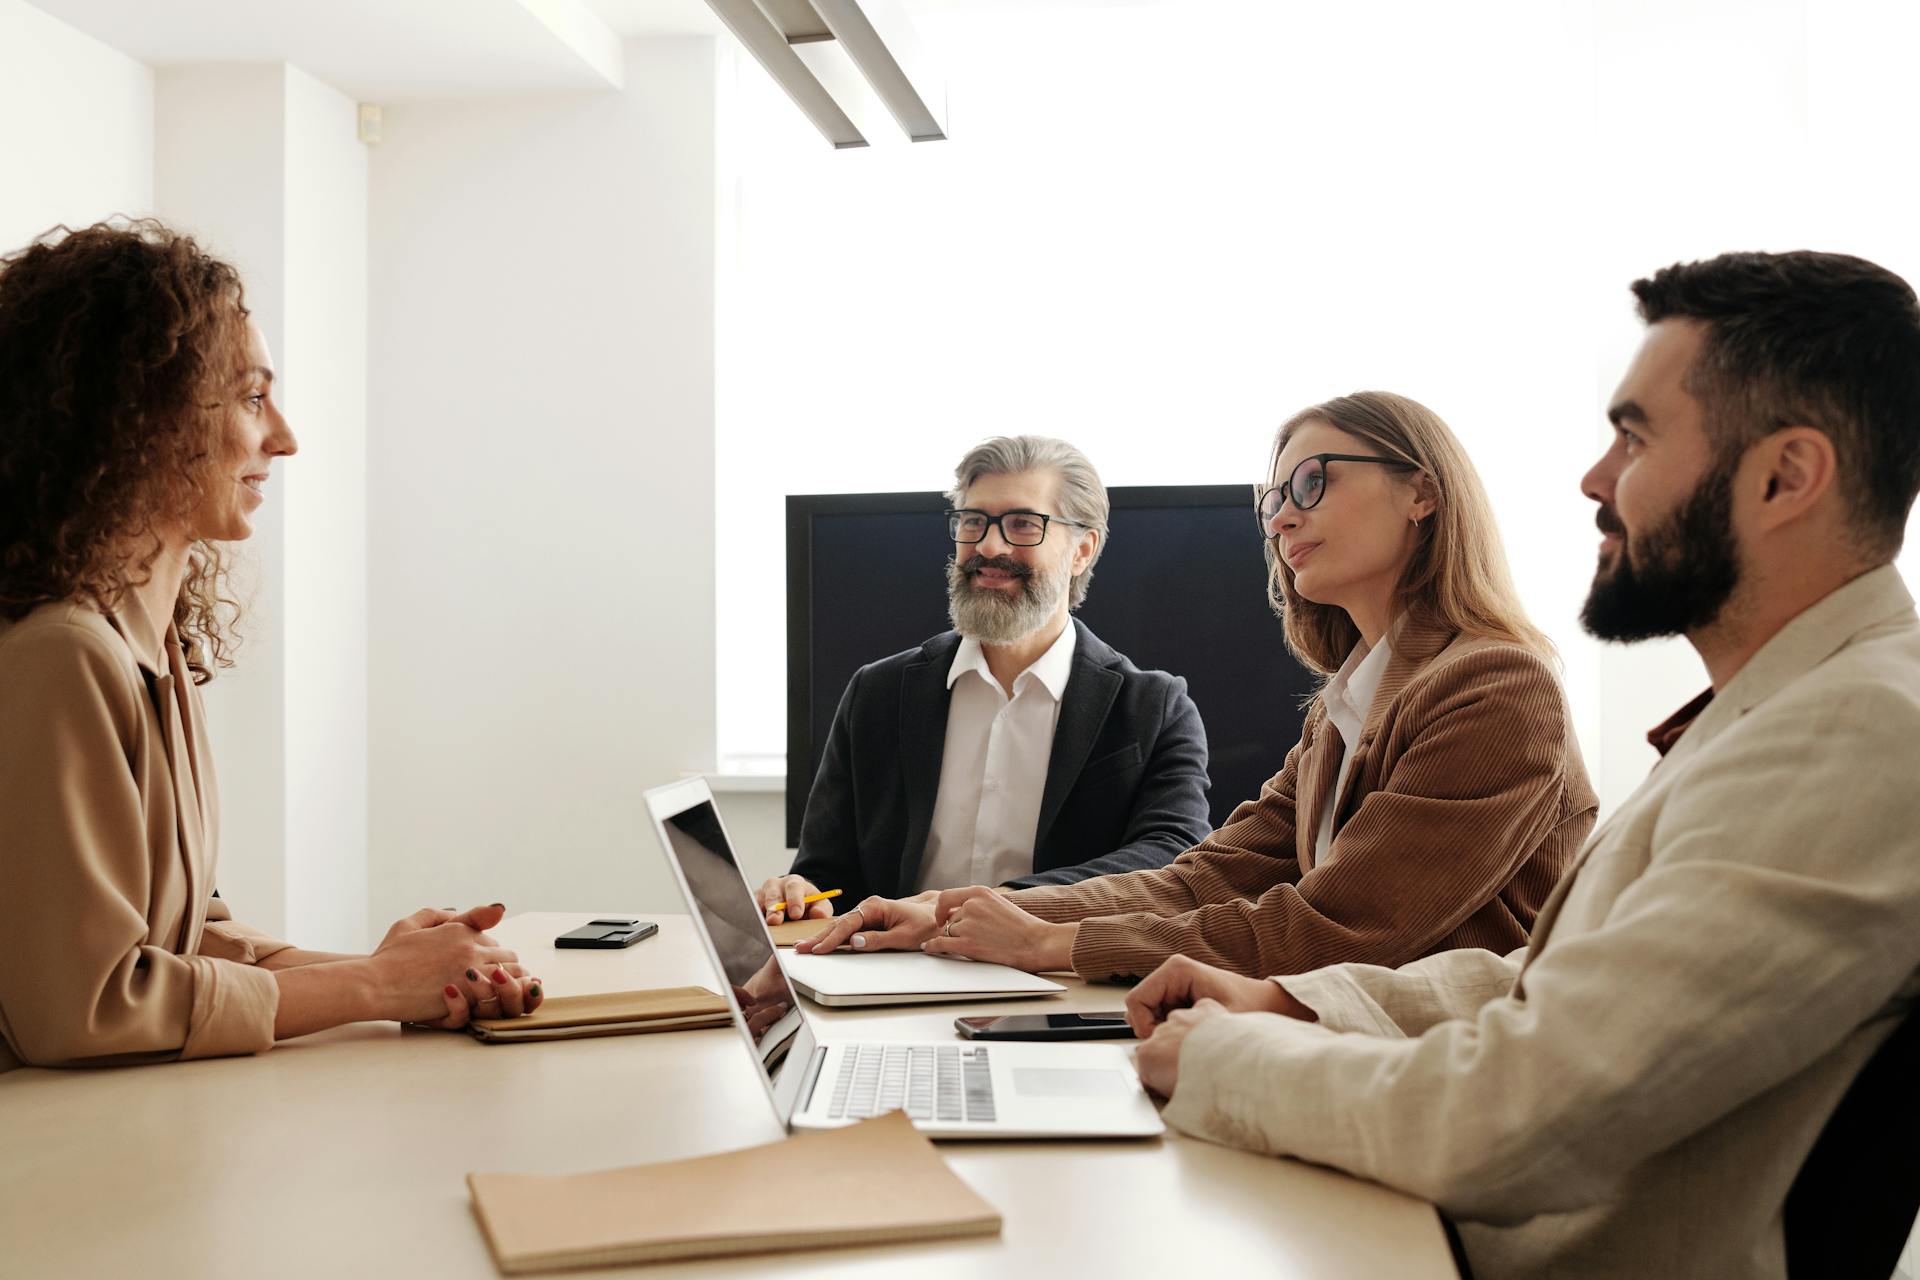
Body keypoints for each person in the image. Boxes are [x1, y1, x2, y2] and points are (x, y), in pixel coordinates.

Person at [1127, 251, 1920, 1279]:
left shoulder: (1855, 731)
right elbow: (1565, 980)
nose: (1595, 479)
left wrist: (1226, 1059)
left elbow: (1519, 1113)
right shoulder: (1791, 704)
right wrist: (1301, 1005)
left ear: (1786, 476)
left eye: (1633, 436)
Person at [801, 392, 1595, 981]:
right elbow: (1208, 876)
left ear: (1423, 492)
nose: (1281, 519)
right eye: (1274, 499)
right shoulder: (1348, 701)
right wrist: (951, 913)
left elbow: (1343, 925)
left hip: (1441, 1082)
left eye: (1311, 484)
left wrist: (1054, 942)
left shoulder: (1497, 685)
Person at [0, 220, 540, 1071]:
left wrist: (418, 974)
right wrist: (372, 988)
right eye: (252, 398)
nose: (283, 436)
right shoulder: (64, 656)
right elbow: (88, 1006)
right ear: (141, 420)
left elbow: (187, 941)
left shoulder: (149, 646)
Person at [757, 436, 1214, 922]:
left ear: (1083, 549)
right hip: (892, 980)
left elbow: (1174, 855)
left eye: (1022, 524)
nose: (988, 545)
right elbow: (826, 875)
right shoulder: (878, 693)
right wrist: (799, 893)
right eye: (973, 521)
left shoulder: (1155, 707)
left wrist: (984, 908)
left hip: (1060, 985)